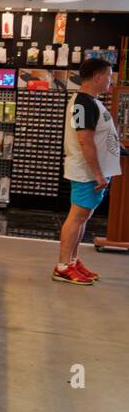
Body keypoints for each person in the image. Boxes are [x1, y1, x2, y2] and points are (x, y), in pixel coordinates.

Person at [54, 57, 122, 285]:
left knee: (84, 217)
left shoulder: (91, 101)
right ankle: (63, 266)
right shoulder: (82, 103)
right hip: (86, 173)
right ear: (98, 77)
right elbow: (85, 141)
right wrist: (98, 173)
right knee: (76, 217)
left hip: (94, 172)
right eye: (109, 78)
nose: (110, 83)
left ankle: (73, 260)